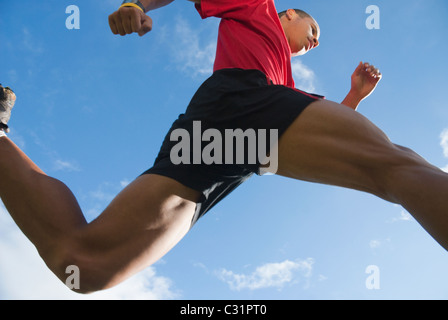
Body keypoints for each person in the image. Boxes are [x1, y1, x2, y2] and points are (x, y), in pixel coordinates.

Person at [1, 0, 447, 295]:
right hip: (242, 103)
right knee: (397, 166)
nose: (316, 40)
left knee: (83, 263)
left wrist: (353, 99)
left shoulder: (284, 79)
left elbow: (318, 139)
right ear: (290, 13)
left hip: (224, 143)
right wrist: (139, 5)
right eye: (315, 28)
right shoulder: (260, 6)